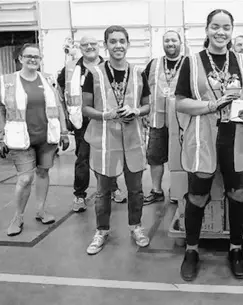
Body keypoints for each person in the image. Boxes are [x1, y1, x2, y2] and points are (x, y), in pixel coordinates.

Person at [175, 9, 243, 281]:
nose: (220, 32)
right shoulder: (192, 61)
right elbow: (180, 102)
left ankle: (236, 249)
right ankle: (191, 250)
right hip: (202, 138)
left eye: (226, 27)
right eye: (215, 26)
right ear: (207, 29)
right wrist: (211, 105)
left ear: (232, 30)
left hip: (235, 137)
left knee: (237, 193)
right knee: (197, 196)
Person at [82, 25, 151, 255]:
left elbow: (147, 106)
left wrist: (137, 111)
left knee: (136, 190)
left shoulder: (139, 73)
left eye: (122, 41)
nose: (118, 45)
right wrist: (106, 115)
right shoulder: (94, 74)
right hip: (105, 141)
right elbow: (86, 108)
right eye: (113, 41)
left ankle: (136, 226)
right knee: (102, 192)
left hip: (132, 140)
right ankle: (101, 231)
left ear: (128, 44)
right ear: (106, 45)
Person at [0, 43, 69, 236]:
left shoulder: (48, 79)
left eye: (36, 57)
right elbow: (1, 109)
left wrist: (64, 132)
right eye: (28, 56)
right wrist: (1, 136)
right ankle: (18, 216)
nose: (33, 59)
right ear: (20, 58)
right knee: (25, 178)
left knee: (43, 173)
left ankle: (41, 209)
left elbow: (58, 106)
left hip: (47, 137)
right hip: (20, 138)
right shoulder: (6, 82)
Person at [57, 36, 126, 213]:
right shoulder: (71, 68)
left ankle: (113, 188)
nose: (89, 47)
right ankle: (79, 195)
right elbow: (60, 91)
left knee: (109, 155)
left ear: (99, 46)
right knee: (83, 158)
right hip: (82, 120)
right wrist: (65, 117)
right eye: (85, 45)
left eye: (92, 44)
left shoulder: (109, 66)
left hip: (106, 119)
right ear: (79, 48)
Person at [142, 30, 184, 205]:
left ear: (180, 43)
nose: (170, 43)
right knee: (155, 156)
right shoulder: (154, 64)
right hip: (157, 119)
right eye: (167, 40)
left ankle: (177, 189)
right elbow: (143, 89)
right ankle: (156, 190)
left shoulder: (189, 63)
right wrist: (143, 112)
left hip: (181, 120)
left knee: (180, 157)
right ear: (163, 43)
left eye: (174, 40)